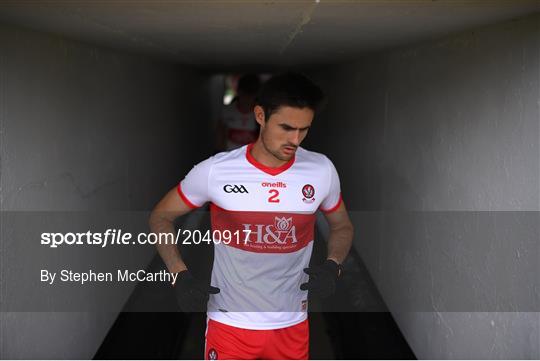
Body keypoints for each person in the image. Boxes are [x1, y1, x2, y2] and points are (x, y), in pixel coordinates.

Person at [149, 73, 354, 360]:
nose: (295, 140)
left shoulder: (322, 170)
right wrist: (178, 275)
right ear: (260, 115)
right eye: (286, 128)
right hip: (229, 324)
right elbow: (161, 217)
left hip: (291, 325)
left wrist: (334, 266)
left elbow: (342, 226)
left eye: (304, 129)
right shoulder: (215, 171)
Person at [216, 74, 261, 151]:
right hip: (230, 156)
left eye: (251, 94)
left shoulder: (261, 114)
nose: (247, 98)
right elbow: (220, 136)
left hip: (252, 158)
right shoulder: (227, 111)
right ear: (239, 92)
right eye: (245, 93)